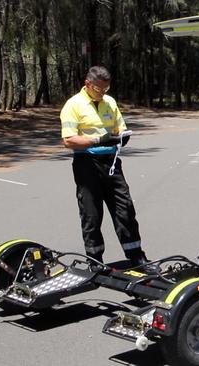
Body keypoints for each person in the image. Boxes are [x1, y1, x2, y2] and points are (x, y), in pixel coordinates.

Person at [60, 66, 148, 266]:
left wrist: (121, 138)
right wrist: (98, 140)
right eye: (100, 89)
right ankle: (95, 259)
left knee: (124, 208)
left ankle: (136, 255)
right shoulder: (73, 105)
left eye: (106, 89)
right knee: (91, 213)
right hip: (87, 163)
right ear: (87, 84)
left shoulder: (109, 102)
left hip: (112, 162)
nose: (103, 93)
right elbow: (69, 140)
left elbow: (120, 128)